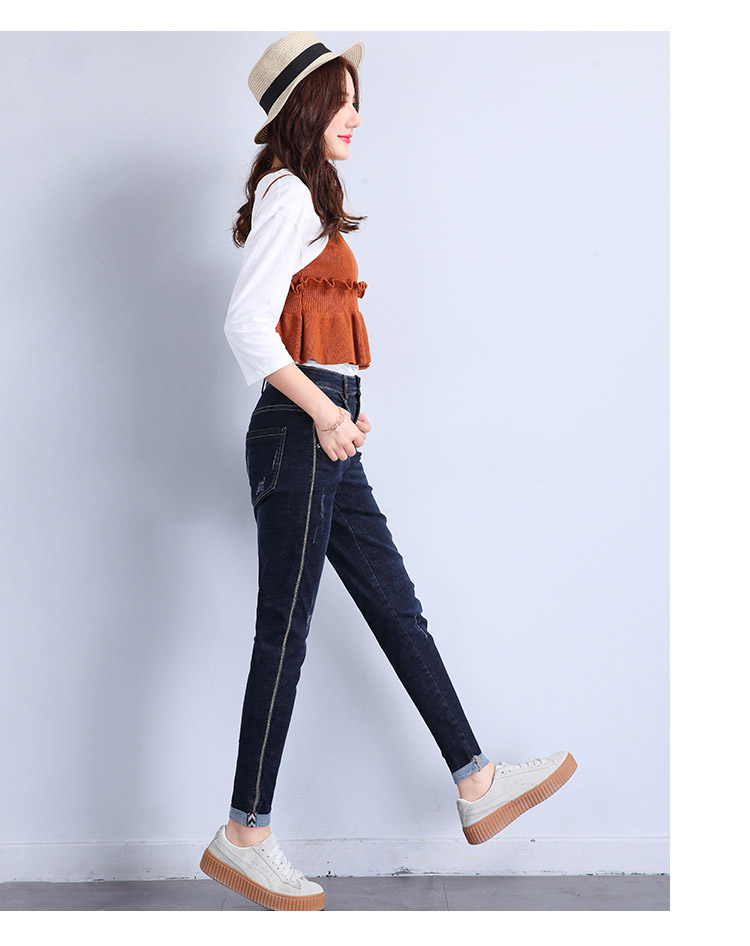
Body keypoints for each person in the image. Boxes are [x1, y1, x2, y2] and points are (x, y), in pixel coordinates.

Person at [200, 32, 577, 912]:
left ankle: (475, 782)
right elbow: (246, 326)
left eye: (356, 100)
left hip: (322, 430)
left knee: (396, 607)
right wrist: (325, 410)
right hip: (302, 432)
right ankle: (245, 833)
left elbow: (304, 332)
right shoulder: (289, 195)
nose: (355, 116)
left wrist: (341, 407)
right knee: (285, 630)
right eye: (340, 100)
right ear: (305, 107)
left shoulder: (306, 199)